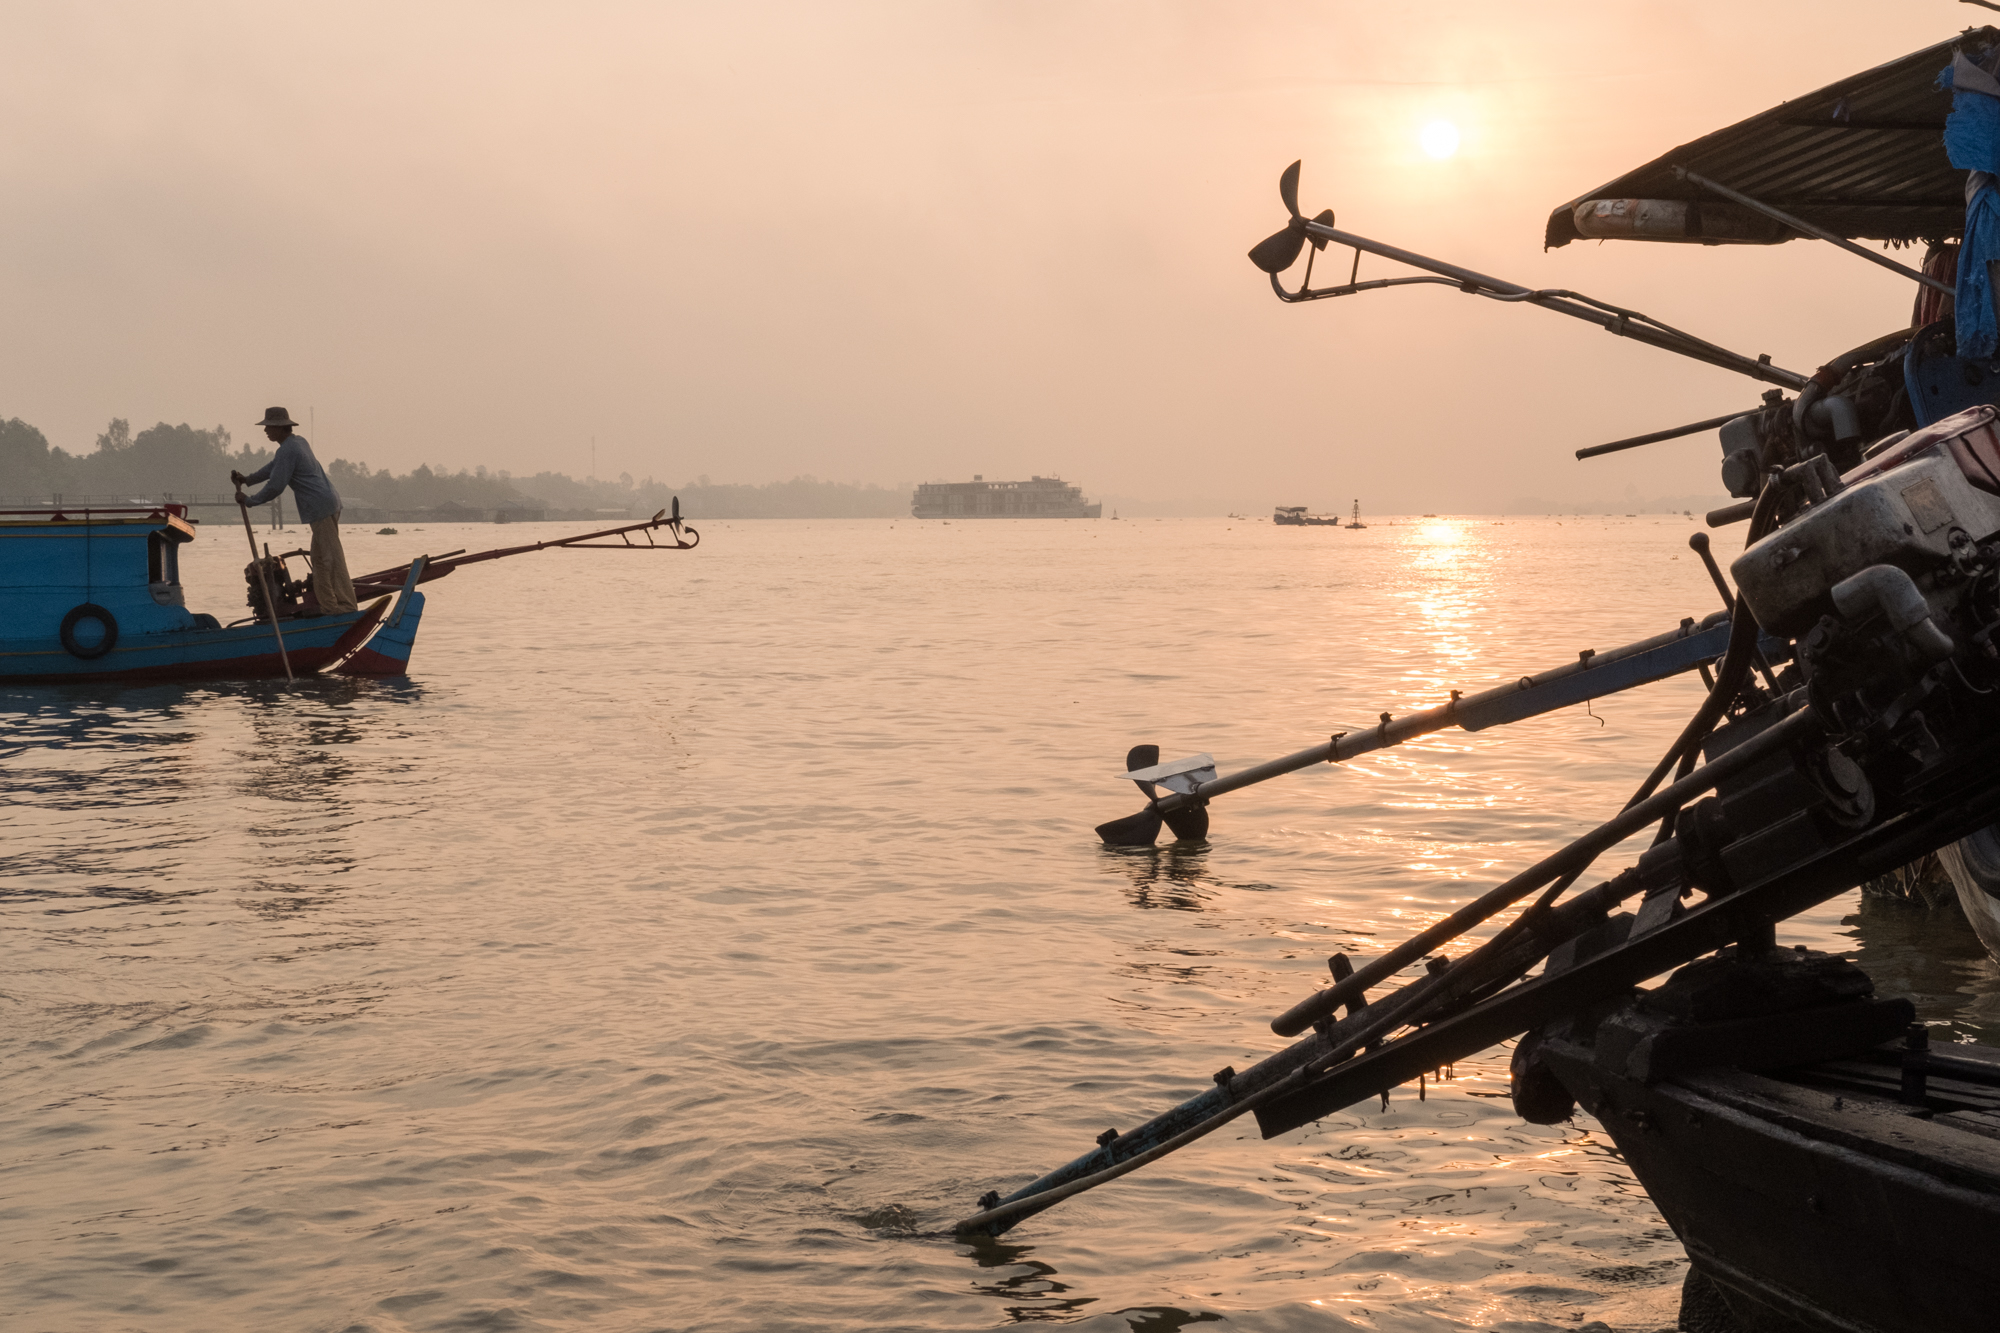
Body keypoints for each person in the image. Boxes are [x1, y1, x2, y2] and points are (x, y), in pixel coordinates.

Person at [231, 407, 358, 614]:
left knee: (331, 559)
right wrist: (248, 480)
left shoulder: (289, 449)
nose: (266, 431)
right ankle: (329, 607)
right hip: (327, 503)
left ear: (281, 428)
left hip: (321, 507)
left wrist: (250, 501)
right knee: (320, 560)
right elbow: (274, 467)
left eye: (269, 427)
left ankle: (346, 606)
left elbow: (276, 486)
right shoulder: (297, 443)